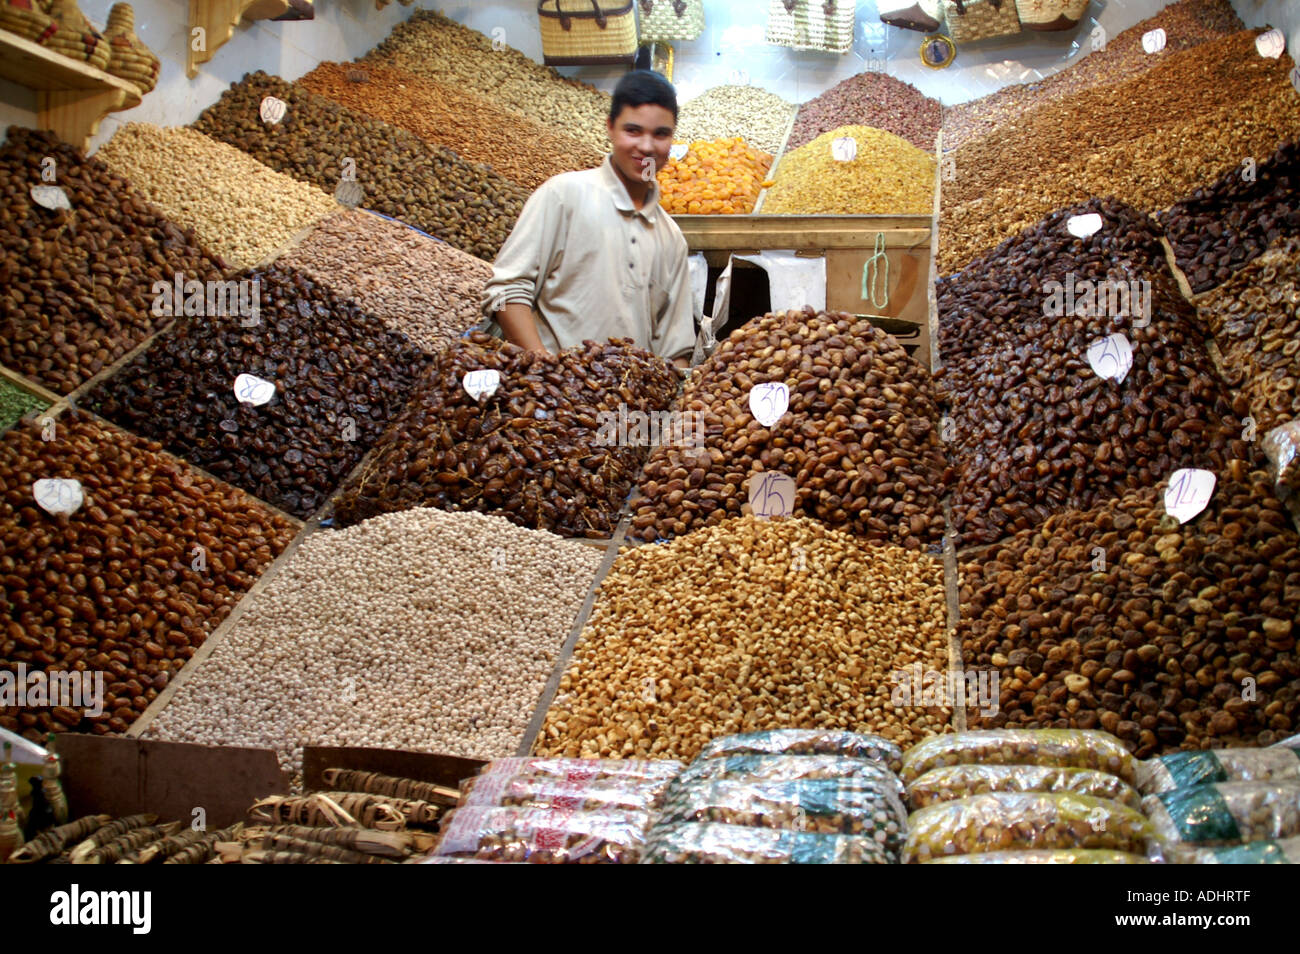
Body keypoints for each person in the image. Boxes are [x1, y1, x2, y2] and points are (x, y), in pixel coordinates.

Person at [480, 70, 697, 368]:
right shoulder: (563, 195)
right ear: (610, 128)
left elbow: (675, 352)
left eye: (660, 134)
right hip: (551, 401)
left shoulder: (671, 238)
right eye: (633, 131)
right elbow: (506, 291)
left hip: (625, 408)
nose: (646, 147)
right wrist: (543, 370)